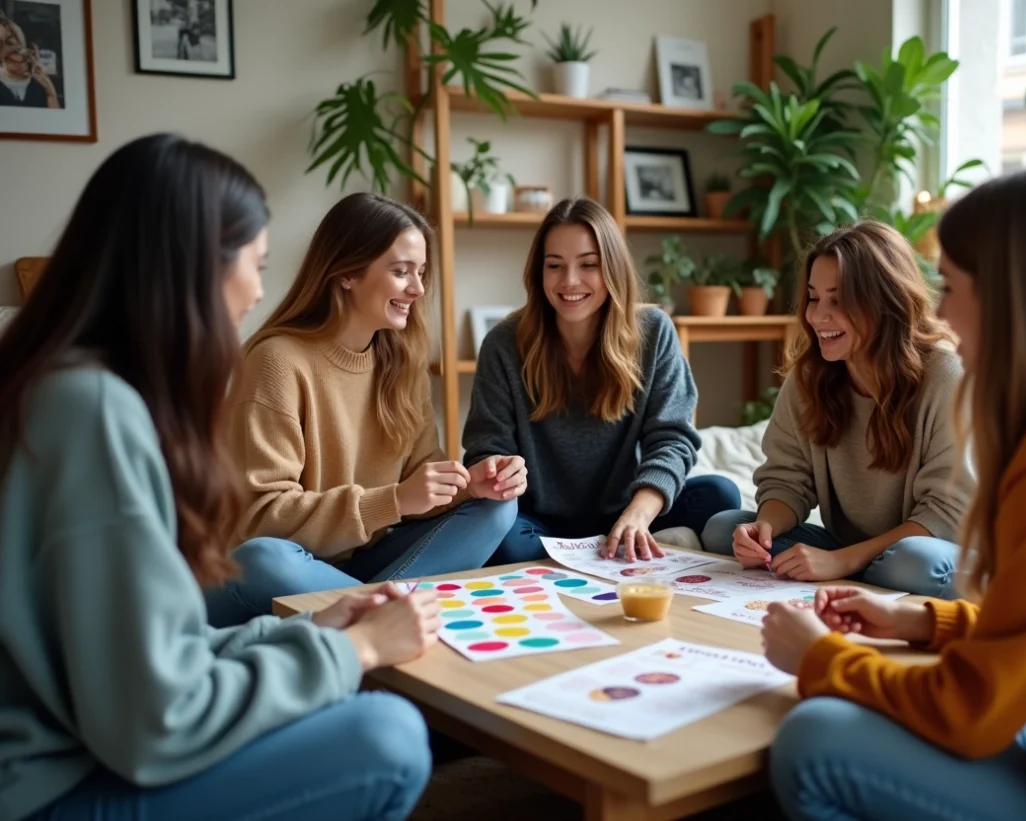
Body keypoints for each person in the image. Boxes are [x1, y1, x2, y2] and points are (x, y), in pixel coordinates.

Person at [0, 134, 438, 821]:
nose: (260, 288)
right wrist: (351, 652)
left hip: (86, 737)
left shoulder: (64, 386)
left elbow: (144, 650)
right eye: (255, 263)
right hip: (51, 785)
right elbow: (153, 717)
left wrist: (313, 632)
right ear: (194, 265)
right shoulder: (96, 412)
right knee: (389, 736)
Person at [762, 163, 1026, 820]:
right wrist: (923, 618)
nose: (938, 310)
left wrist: (821, 657)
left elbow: (972, 711)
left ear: (1013, 296)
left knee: (814, 737)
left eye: (950, 285)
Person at [204, 193, 521, 627]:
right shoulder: (276, 361)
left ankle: (369, 614)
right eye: (400, 271)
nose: (418, 289)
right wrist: (393, 500)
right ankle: (384, 614)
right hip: (286, 571)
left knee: (498, 509)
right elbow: (259, 520)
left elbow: (421, 481)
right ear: (347, 272)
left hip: (363, 565)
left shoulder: (401, 362)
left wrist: (470, 485)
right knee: (264, 558)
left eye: (421, 273)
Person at [462, 197, 740, 564]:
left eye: (588, 265)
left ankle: (635, 539)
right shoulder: (503, 343)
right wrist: (498, 469)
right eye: (555, 266)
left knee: (720, 494)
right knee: (501, 536)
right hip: (537, 521)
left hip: (627, 511)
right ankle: (643, 549)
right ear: (538, 273)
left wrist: (638, 514)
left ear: (613, 268)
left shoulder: (654, 332)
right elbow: (485, 447)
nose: (570, 281)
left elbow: (672, 438)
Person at [702, 221, 972, 598]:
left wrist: (843, 562)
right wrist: (762, 529)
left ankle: (867, 576)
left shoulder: (946, 376)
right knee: (723, 527)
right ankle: (867, 579)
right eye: (814, 297)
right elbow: (787, 479)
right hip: (853, 549)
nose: (817, 316)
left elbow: (946, 514)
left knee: (911, 563)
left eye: (838, 300)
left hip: (933, 547)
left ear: (884, 299)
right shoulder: (810, 377)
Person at [0, 43, 59, 108]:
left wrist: (51, 94)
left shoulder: (41, 81)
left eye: (26, 60)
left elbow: (56, 113)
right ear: (5, 62)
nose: (25, 65)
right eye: (20, 62)